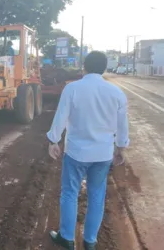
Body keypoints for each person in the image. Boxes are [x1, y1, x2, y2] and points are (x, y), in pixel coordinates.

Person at [46, 51, 129, 250]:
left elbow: (61, 117)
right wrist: (121, 147)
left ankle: (66, 238)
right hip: (103, 154)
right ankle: (90, 241)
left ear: (84, 66)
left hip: (76, 153)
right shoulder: (117, 93)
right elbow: (122, 125)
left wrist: (54, 140)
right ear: (104, 68)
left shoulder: (72, 88)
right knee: (97, 195)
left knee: (69, 193)